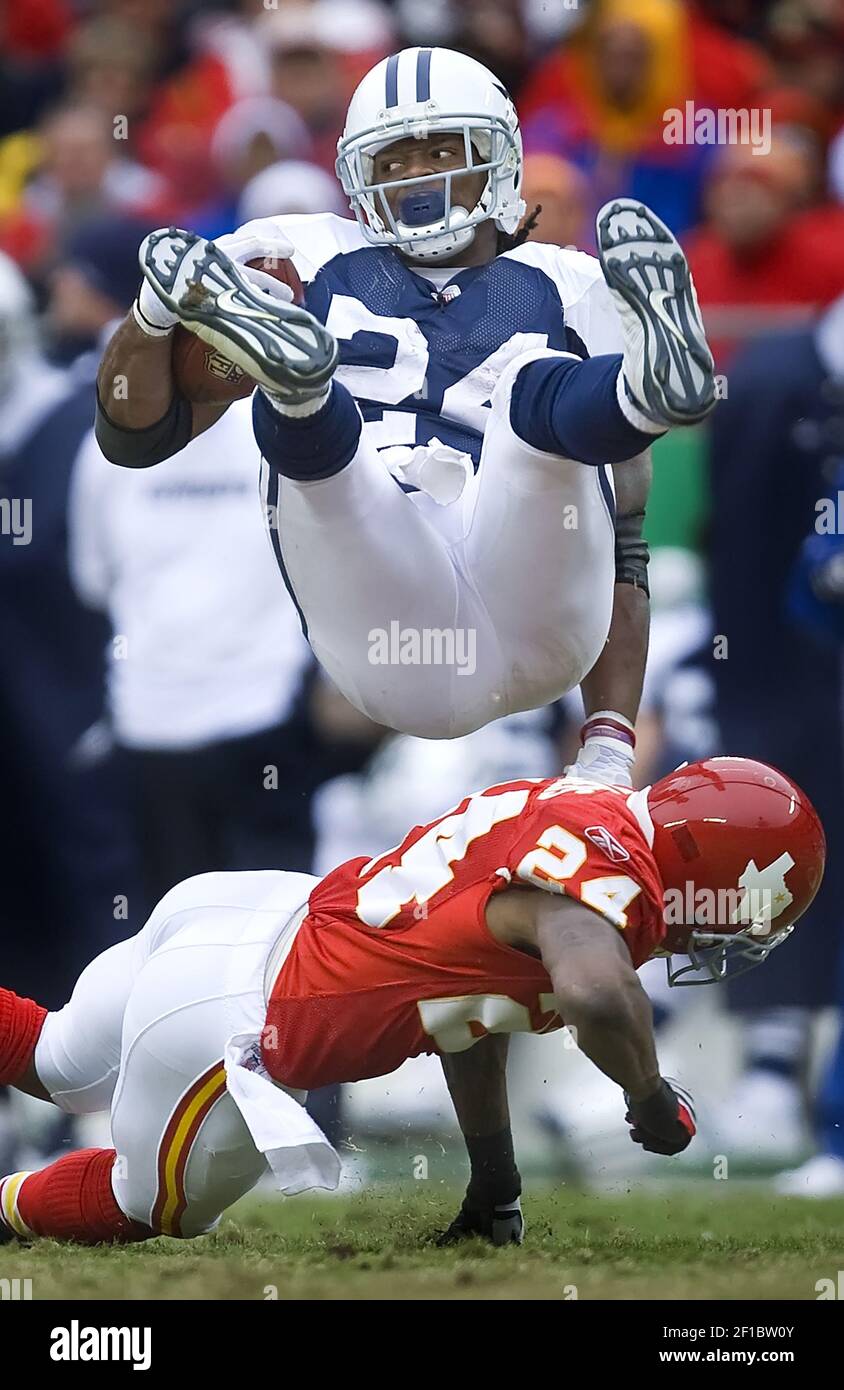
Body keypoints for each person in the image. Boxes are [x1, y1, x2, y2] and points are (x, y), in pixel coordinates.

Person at [96, 46, 717, 777]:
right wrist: (152, 310)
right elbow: (133, 437)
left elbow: (623, 536)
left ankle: (641, 391)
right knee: (332, 451)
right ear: (359, 176)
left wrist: (609, 751)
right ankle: (301, 390)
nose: (420, 175)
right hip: (387, 622)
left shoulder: (571, 284)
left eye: (440, 149)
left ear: (498, 155)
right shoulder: (296, 254)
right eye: (394, 160)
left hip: (533, 594)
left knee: (528, 391)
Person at [0, 756, 825, 1247]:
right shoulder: (604, 893)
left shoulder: (588, 808)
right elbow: (594, 991)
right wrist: (649, 1098)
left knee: (51, 1058)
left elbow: (468, 1013)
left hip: (250, 910)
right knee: (148, 1206)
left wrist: (495, 1186)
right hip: (241, 1013)